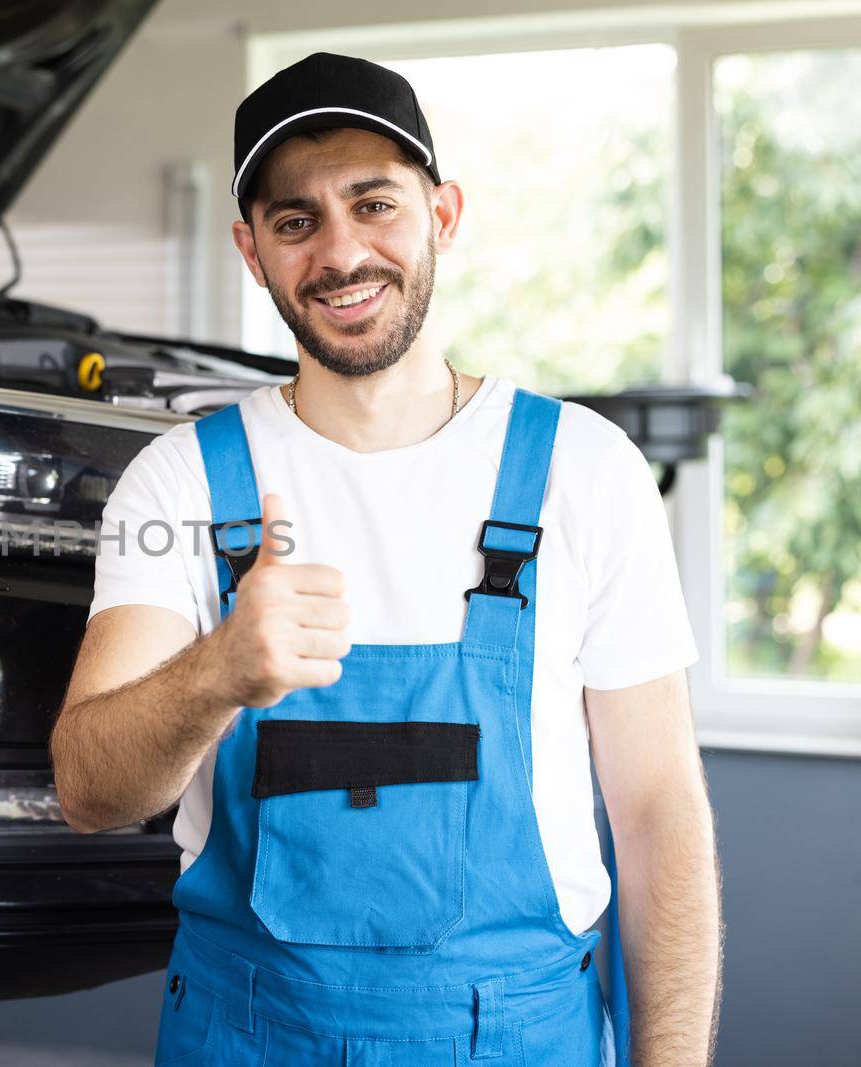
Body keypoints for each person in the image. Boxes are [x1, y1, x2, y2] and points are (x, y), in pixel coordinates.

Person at [51, 52, 721, 1066]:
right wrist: (219, 671)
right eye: (295, 220)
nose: (340, 251)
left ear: (442, 214)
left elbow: (660, 814)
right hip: (247, 1034)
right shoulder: (180, 480)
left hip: (518, 1037)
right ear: (250, 248)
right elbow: (91, 790)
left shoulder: (579, 471)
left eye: (374, 204)